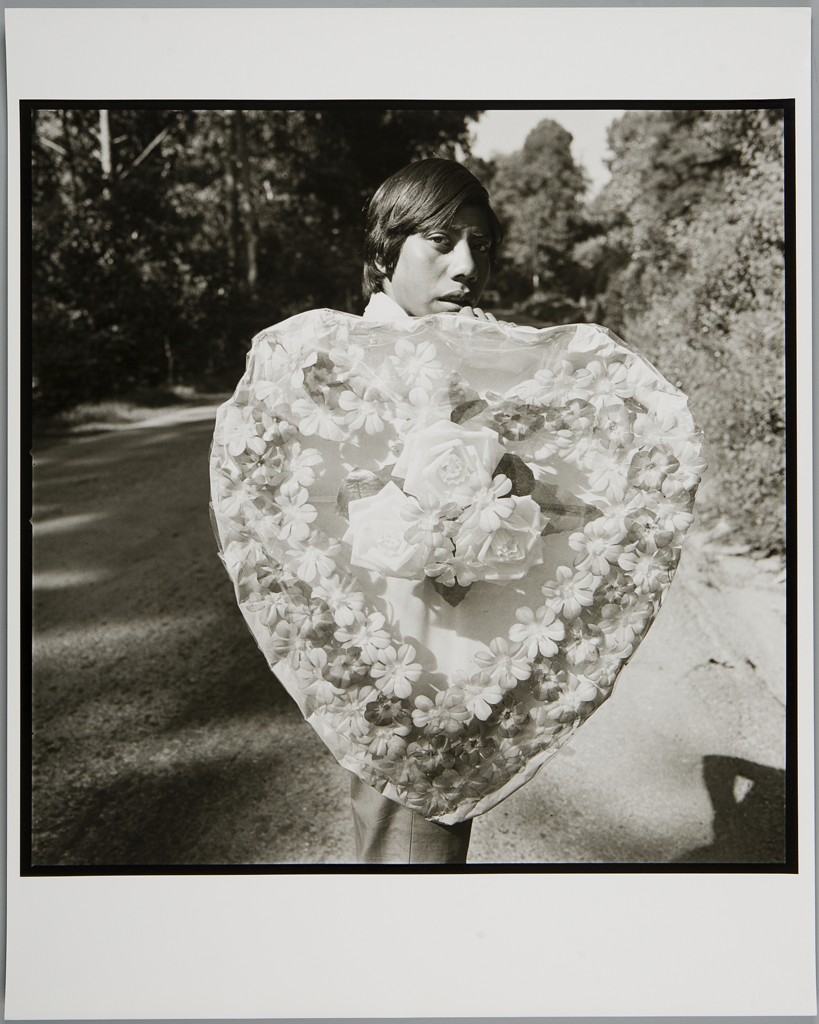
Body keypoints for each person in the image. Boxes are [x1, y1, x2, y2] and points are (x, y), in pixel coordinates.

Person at [350, 158, 504, 863]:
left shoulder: (443, 350)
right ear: (386, 251)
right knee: (413, 841)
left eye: (478, 243)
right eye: (441, 242)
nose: (466, 265)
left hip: (446, 649)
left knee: (418, 840)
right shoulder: (353, 360)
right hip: (402, 658)